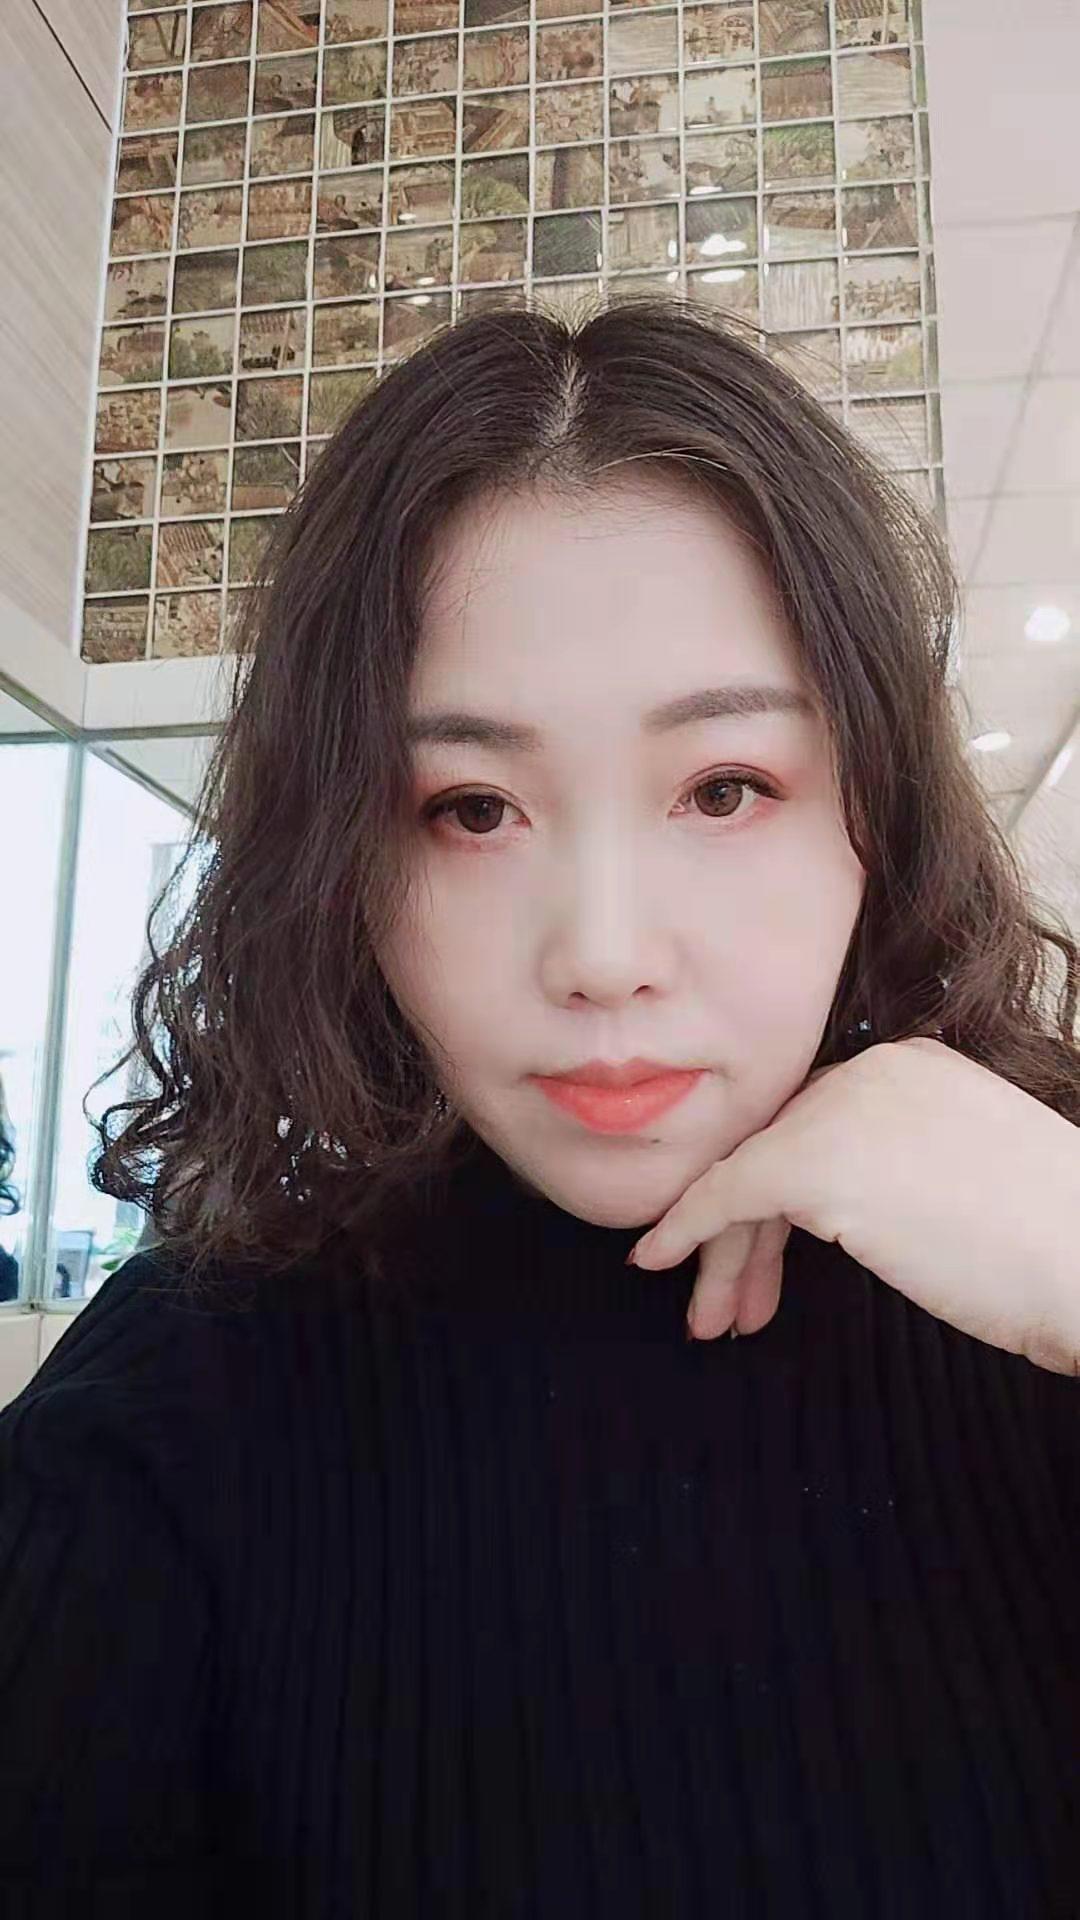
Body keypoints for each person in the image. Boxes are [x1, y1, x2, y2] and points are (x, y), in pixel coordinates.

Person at [1, 297, 1077, 1916]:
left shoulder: (1040, 1285)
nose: (602, 956)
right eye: (471, 809)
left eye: (725, 788)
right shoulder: (175, 1408)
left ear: (880, 813)